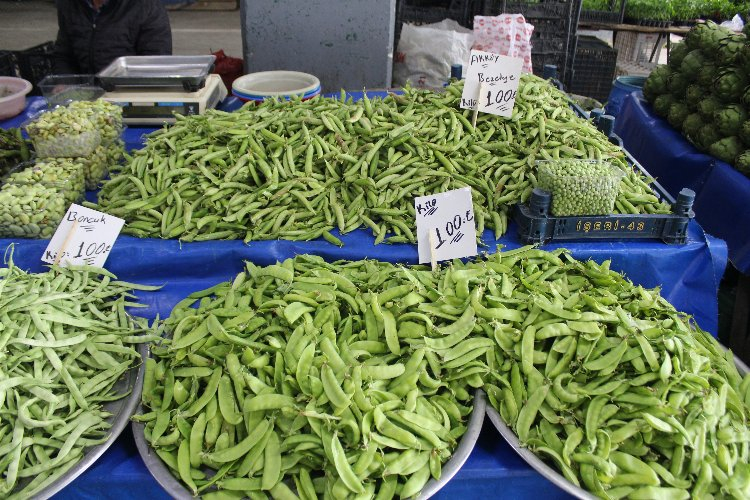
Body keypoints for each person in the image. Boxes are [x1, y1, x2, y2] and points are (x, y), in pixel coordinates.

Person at [53, 0, 173, 74]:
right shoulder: (68, 4)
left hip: (127, 93)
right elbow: (64, 54)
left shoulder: (146, 6)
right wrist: (64, 83)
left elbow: (156, 63)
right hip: (83, 95)